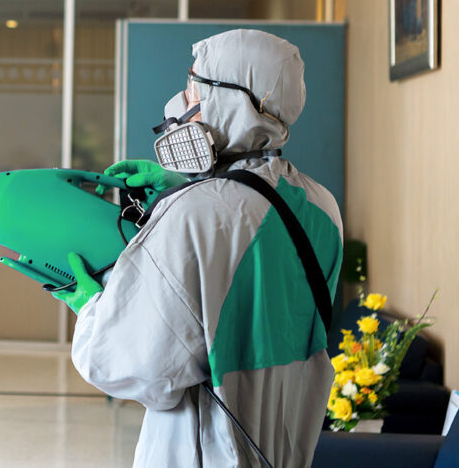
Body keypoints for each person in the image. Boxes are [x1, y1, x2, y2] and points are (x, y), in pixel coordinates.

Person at [56, 29, 343, 467]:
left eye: (194, 86)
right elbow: (253, 240)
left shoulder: (193, 216)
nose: (182, 104)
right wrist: (194, 190)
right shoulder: (324, 208)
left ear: (231, 100)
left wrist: (94, 305)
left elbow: (128, 365)